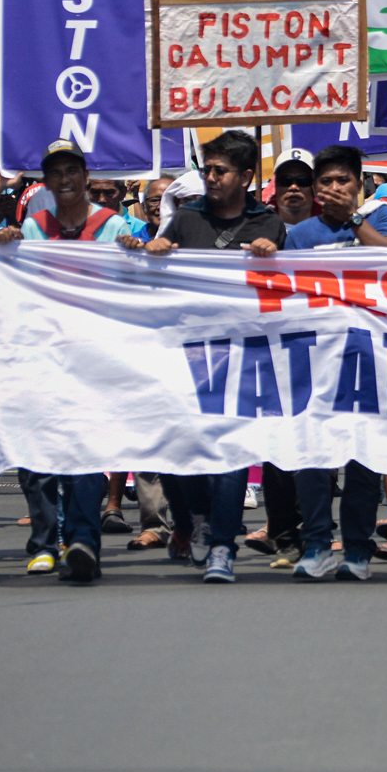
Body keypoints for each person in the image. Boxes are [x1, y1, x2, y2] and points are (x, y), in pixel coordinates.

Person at [120, 130, 282, 584]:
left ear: (246, 177)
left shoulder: (267, 225)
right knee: (181, 452)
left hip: (243, 359)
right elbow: (158, 274)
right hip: (186, 356)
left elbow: (285, 290)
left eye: (220, 170)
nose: (210, 177)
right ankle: (194, 518)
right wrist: (149, 253)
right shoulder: (186, 221)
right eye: (207, 169)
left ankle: (222, 546)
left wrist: (275, 255)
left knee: (230, 453)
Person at [0, 140, 125, 582]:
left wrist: (140, 254)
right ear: (47, 180)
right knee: (37, 453)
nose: (64, 180)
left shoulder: (114, 227)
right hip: (41, 358)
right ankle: (43, 543)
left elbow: (132, 285)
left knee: (86, 452)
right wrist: (4, 246)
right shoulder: (33, 228)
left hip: (93, 361)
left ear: (85, 175)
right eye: (55, 173)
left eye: (71, 171)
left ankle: (82, 541)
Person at [271, 144, 387, 584]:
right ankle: (315, 544)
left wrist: (354, 219)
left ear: (358, 183)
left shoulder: (382, 218)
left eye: (341, 181)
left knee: (362, 457)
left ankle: (357, 546)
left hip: (369, 357)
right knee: (310, 456)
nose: (333, 189)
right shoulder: (300, 235)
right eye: (325, 182)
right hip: (314, 357)